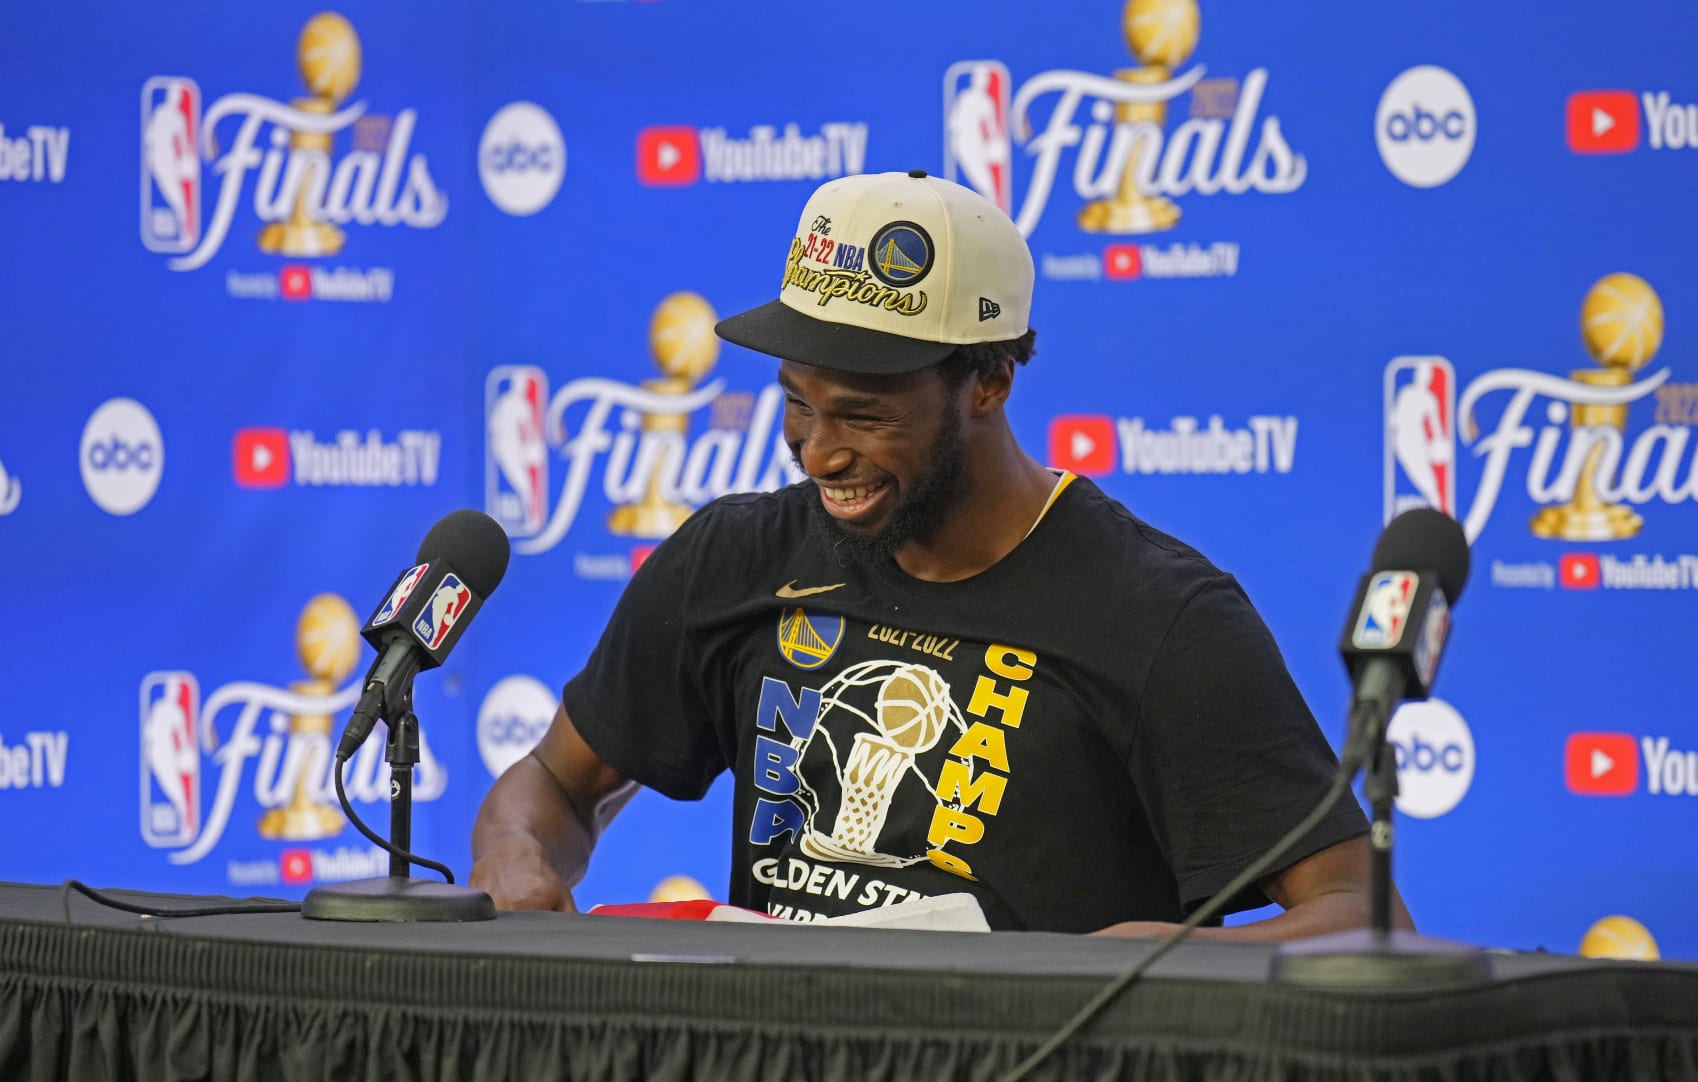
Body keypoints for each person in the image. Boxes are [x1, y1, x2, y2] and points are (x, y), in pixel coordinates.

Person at [471, 169, 1409, 938]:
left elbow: (1359, 914)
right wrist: (517, 848)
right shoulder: (738, 555)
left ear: (990, 380)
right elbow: (557, 780)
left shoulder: (1160, 614)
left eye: (865, 414)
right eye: (800, 403)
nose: (819, 451)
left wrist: (1167, 958)